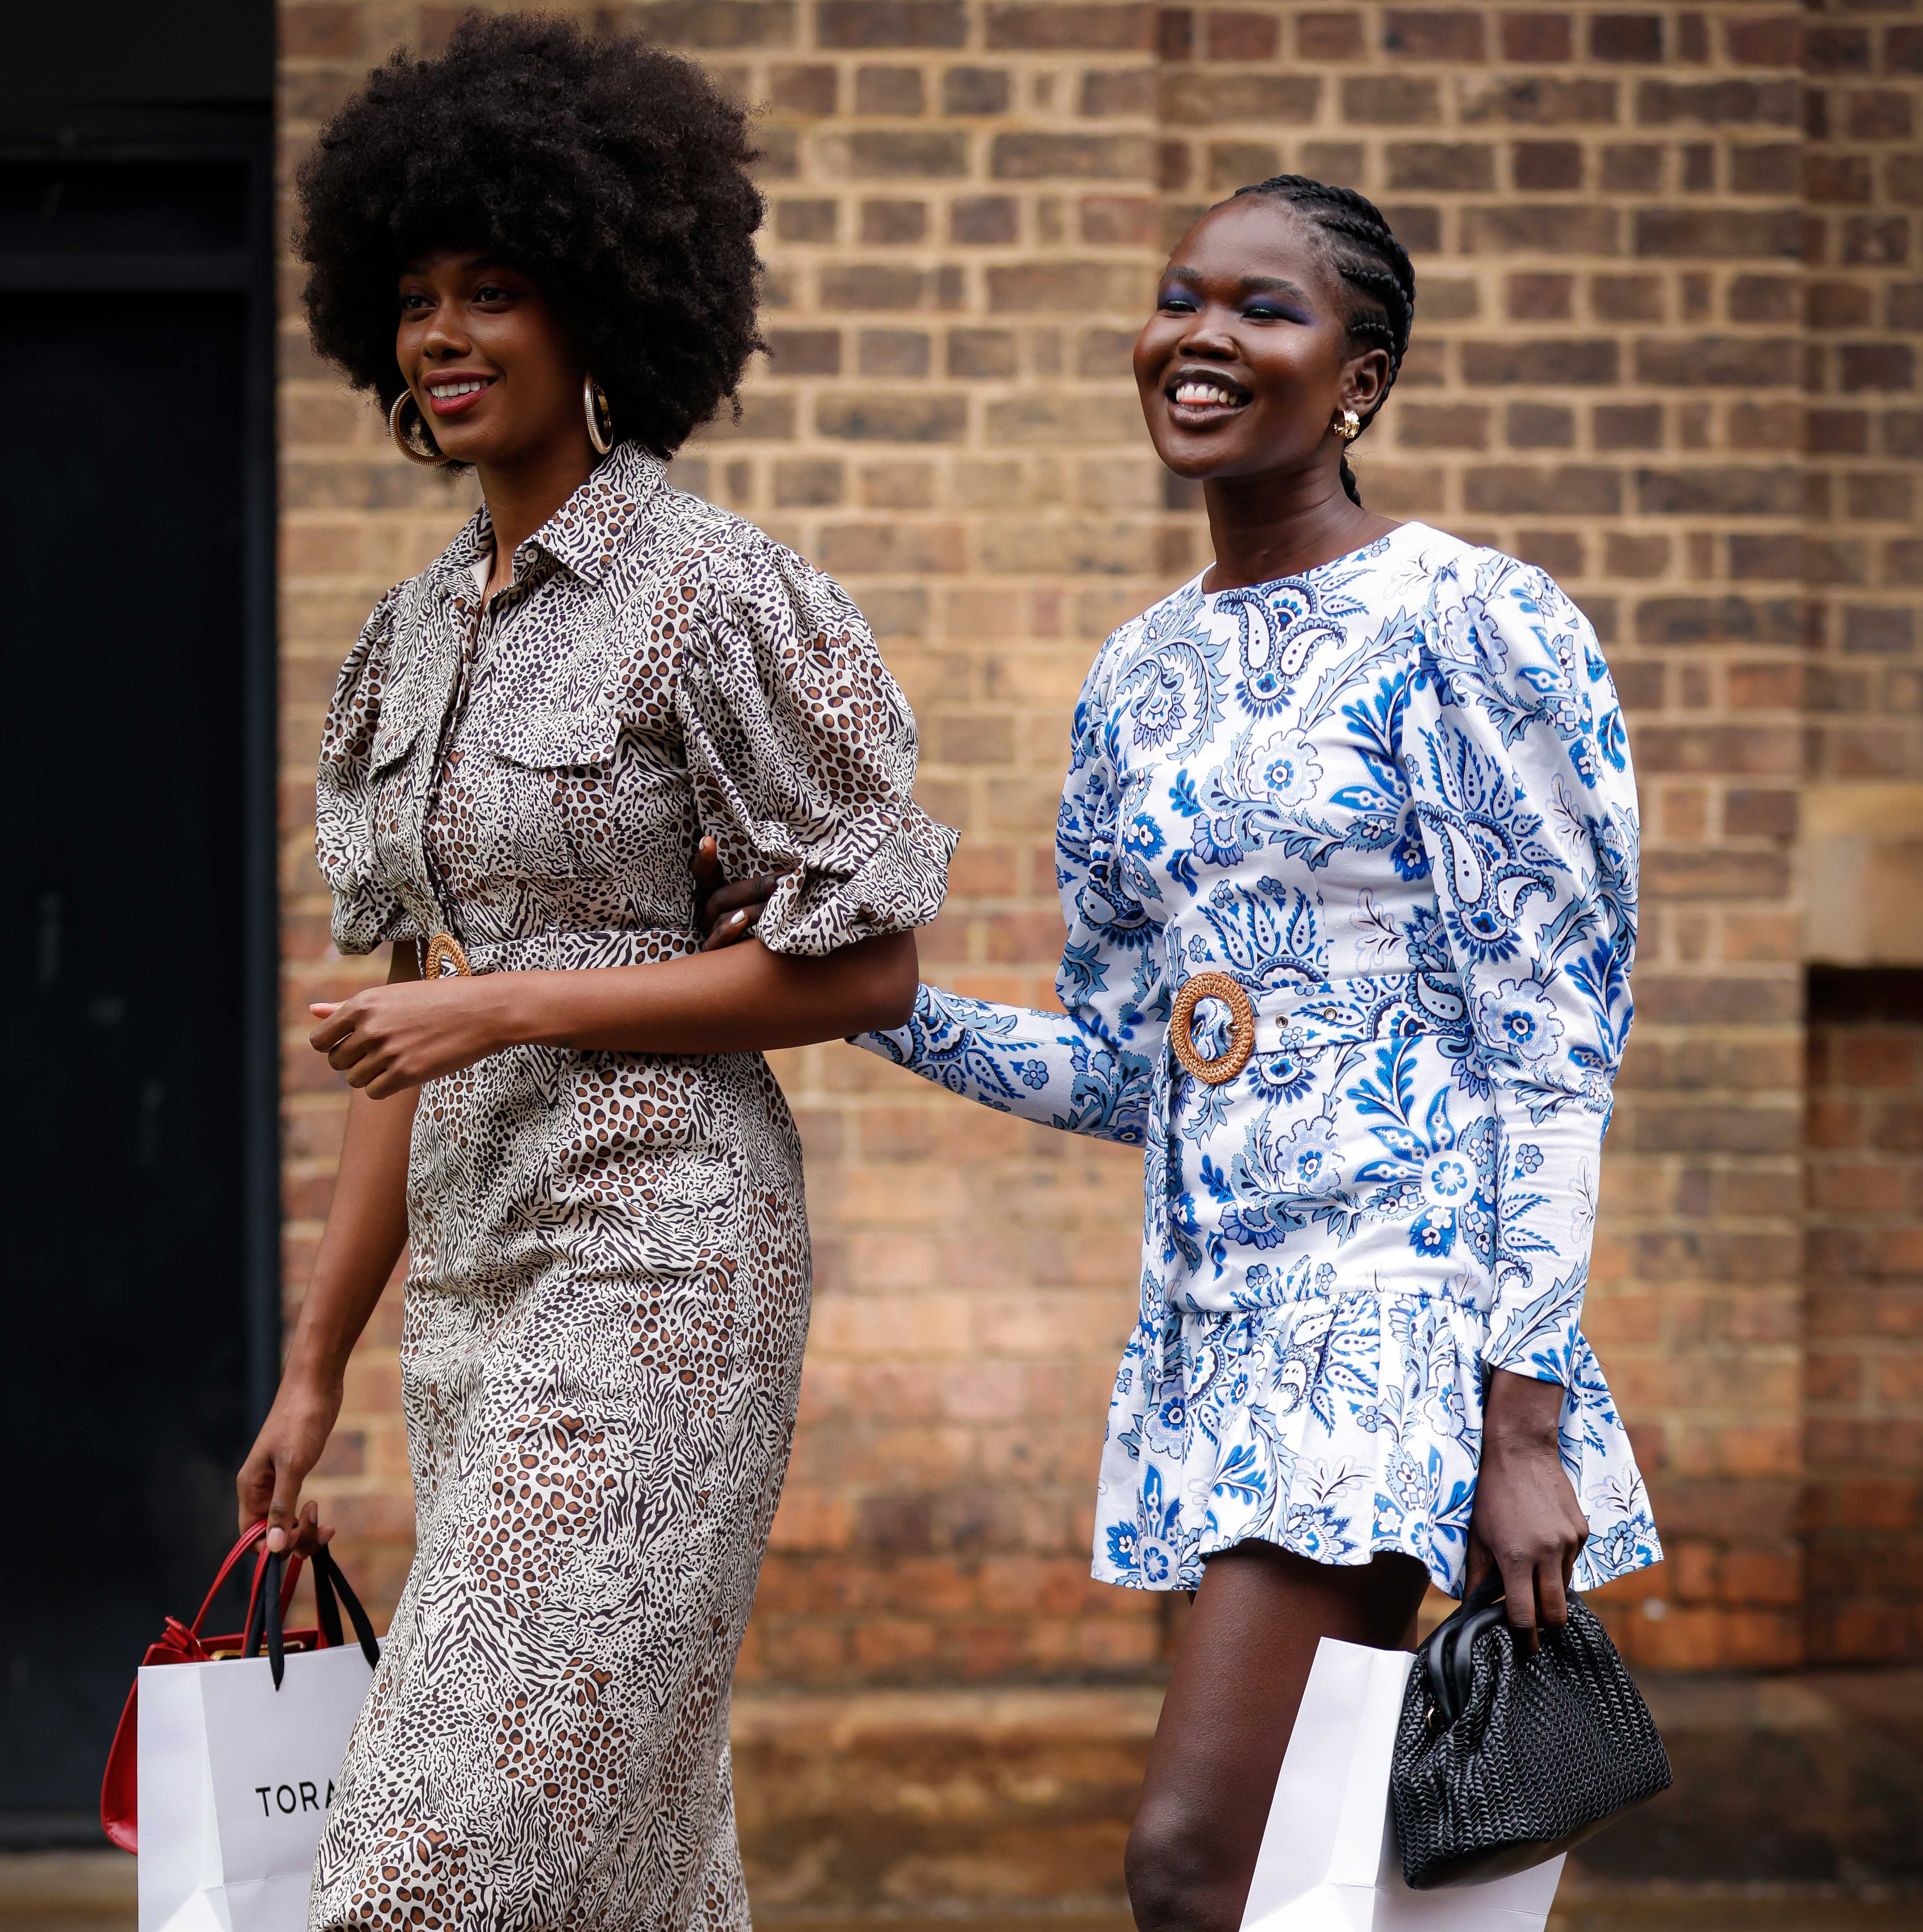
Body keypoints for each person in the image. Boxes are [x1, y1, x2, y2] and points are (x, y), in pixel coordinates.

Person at [701, 176, 1660, 1932]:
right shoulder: (1136, 676)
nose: (1202, 337)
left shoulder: (1476, 623)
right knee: (1324, 1880)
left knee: (1191, 1862)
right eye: (1178, 297)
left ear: (1360, 375)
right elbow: (1138, 1068)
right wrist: (864, 991)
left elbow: (1555, 1048)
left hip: (1399, 1312)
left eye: (1265, 309)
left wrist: (1525, 1419)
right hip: (1219, 1320)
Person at [235, 16, 953, 1930]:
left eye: (497, 290)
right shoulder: (397, 647)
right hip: (476, 1305)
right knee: (626, 1872)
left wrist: (504, 1000)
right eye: (415, 299)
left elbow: (869, 962)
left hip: (663, 1282)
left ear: (606, 307)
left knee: (425, 1869)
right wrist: (314, 1372)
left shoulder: (715, 598)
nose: (444, 336)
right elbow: (399, 1047)